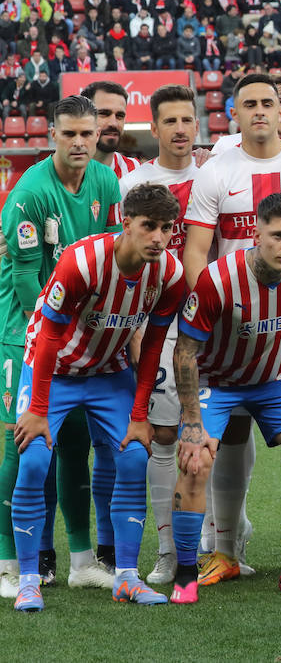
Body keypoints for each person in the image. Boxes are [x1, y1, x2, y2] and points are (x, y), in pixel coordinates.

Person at [182, 75, 281, 585]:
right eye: (252, 104)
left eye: (272, 102)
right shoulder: (216, 168)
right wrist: (205, 305)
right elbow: (198, 250)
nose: (264, 111)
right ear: (235, 113)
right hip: (228, 321)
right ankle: (224, 546)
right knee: (232, 435)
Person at [9, 183, 186, 611]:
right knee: (34, 460)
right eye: (149, 226)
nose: (158, 238)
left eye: (166, 228)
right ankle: (29, 579)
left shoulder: (170, 274)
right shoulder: (82, 261)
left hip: (108, 371)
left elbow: (153, 346)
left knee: (133, 455)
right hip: (55, 367)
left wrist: (139, 413)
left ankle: (126, 575)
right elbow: (49, 334)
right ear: (126, 222)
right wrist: (36, 409)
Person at [167, 193, 281, 604]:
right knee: (195, 460)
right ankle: (185, 576)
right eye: (277, 235)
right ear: (256, 233)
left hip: (272, 381)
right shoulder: (218, 280)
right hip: (217, 383)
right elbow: (184, 351)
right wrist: (189, 421)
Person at [0, 95, 122, 599]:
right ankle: (7, 564)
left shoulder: (105, 181)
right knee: (21, 445)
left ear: (97, 136)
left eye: (86, 134)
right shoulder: (28, 193)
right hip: (25, 336)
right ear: (52, 134)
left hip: (81, 335)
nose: (78, 142)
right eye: (68, 133)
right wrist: (68, 325)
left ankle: (81, 560)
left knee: (74, 444)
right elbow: (27, 280)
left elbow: (114, 253)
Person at [116, 85, 200, 584]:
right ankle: (168, 549)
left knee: (223, 432)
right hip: (162, 322)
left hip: (217, 320)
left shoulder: (217, 170)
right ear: (155, 128)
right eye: (170, 121)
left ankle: (223, 541)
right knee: (165, 433)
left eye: (187, 120)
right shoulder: (138, 183)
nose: (180, 129)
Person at [80, 81, 141, 177]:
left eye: (119, 115)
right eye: (104, 113)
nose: (114, 123)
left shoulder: (135, 170)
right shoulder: (59, 173)